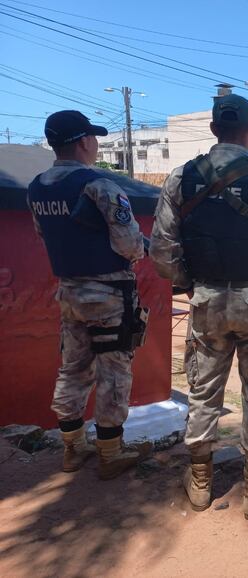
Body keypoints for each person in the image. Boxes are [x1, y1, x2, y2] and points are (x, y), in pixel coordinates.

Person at [150, 93, 248, 518]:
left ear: (213, 129)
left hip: (206, 302)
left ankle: (200, 482)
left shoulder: (179, 179)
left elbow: (161, 252)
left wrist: (190, 284)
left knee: (203, 392)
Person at [27, 110, 150, 480]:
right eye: (93, 138)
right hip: (109, 294)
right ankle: (110, 452)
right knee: (114, 371)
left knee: (73, 368)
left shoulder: (37, 187)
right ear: (83, 142)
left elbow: (42, 236)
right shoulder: (100, 184)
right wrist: (145, 248)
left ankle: (72, 447)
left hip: (69, 293)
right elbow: (130, 245)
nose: (95, 144)